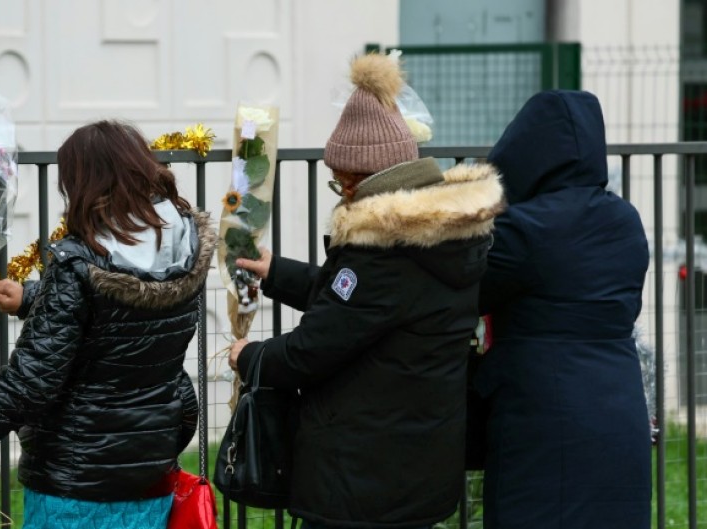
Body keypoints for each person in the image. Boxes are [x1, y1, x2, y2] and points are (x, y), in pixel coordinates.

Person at [228, 53, 504, 529]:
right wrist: (279, 273)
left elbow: (315, 347)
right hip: (418, 470)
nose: (339, 192)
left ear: (361, 180)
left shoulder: (383, 252)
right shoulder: (444, 236)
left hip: (364, 482)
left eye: (340, 181)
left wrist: (250, 357)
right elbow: (360, 307)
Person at [0, 120, 215, 528]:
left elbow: (29, 383)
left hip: (76, 481)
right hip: (149, 470)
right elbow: (123, 320)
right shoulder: (183, 244)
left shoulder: (79, 262)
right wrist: (32, 297)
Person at [472, 90, 651, 529]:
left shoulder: (525, 228)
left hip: (541, 415)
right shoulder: (626, 221)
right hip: (619, 405)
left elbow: (466, 293)